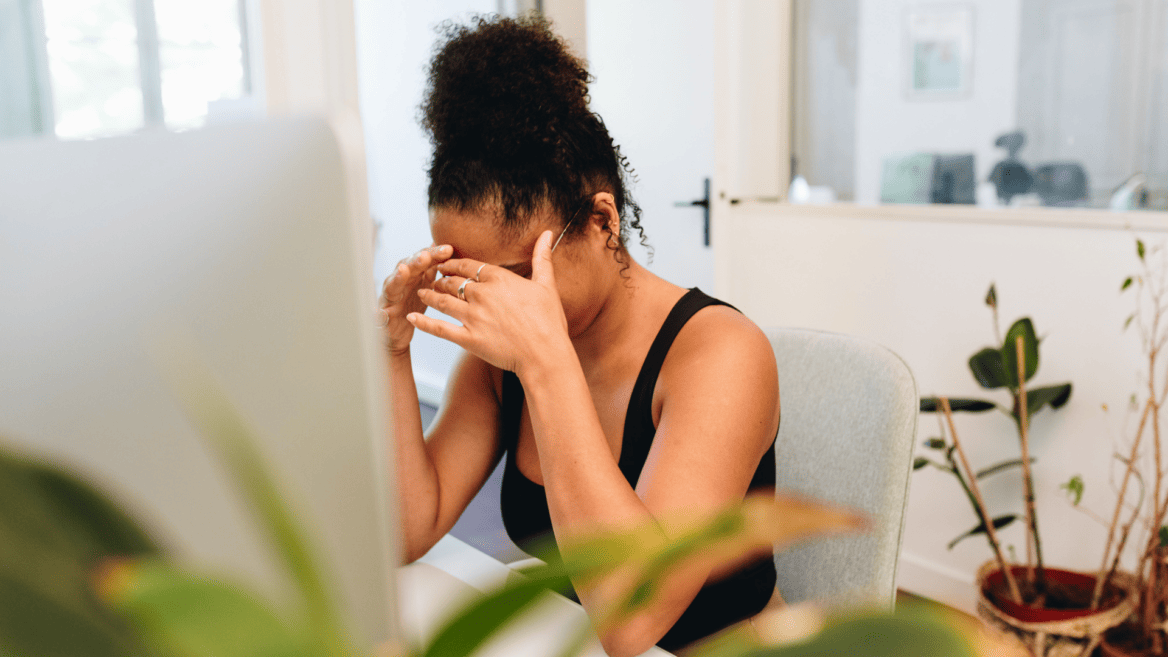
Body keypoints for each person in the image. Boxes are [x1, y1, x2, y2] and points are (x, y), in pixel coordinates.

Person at [379, 15, 780, 656]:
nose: (493, 303)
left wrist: (546, 366)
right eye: (466, 276)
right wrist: (393, 354)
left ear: (601, 221)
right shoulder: (499, 365)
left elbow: (632, 618)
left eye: (513, 276)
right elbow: (407, 531)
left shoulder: (722, 354)